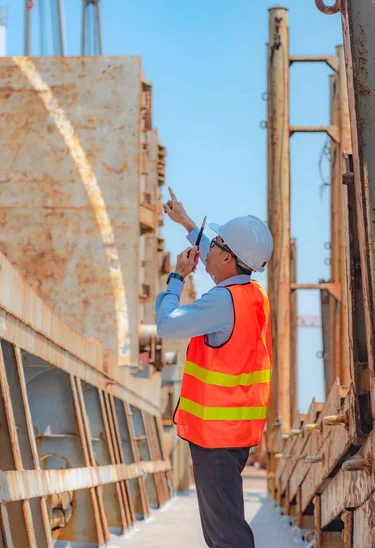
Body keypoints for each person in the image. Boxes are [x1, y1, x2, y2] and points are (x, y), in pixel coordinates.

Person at [156, 188, 273, 548]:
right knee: (225, 526)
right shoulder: (252, 296)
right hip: (235, 433)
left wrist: (177, 278)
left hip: (215, 437)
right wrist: (187, 223)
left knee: (227, 536)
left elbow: (167, 324)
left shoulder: (221, 301)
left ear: (230, 258)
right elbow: (217, 257)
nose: (212, 247)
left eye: (218, 242)